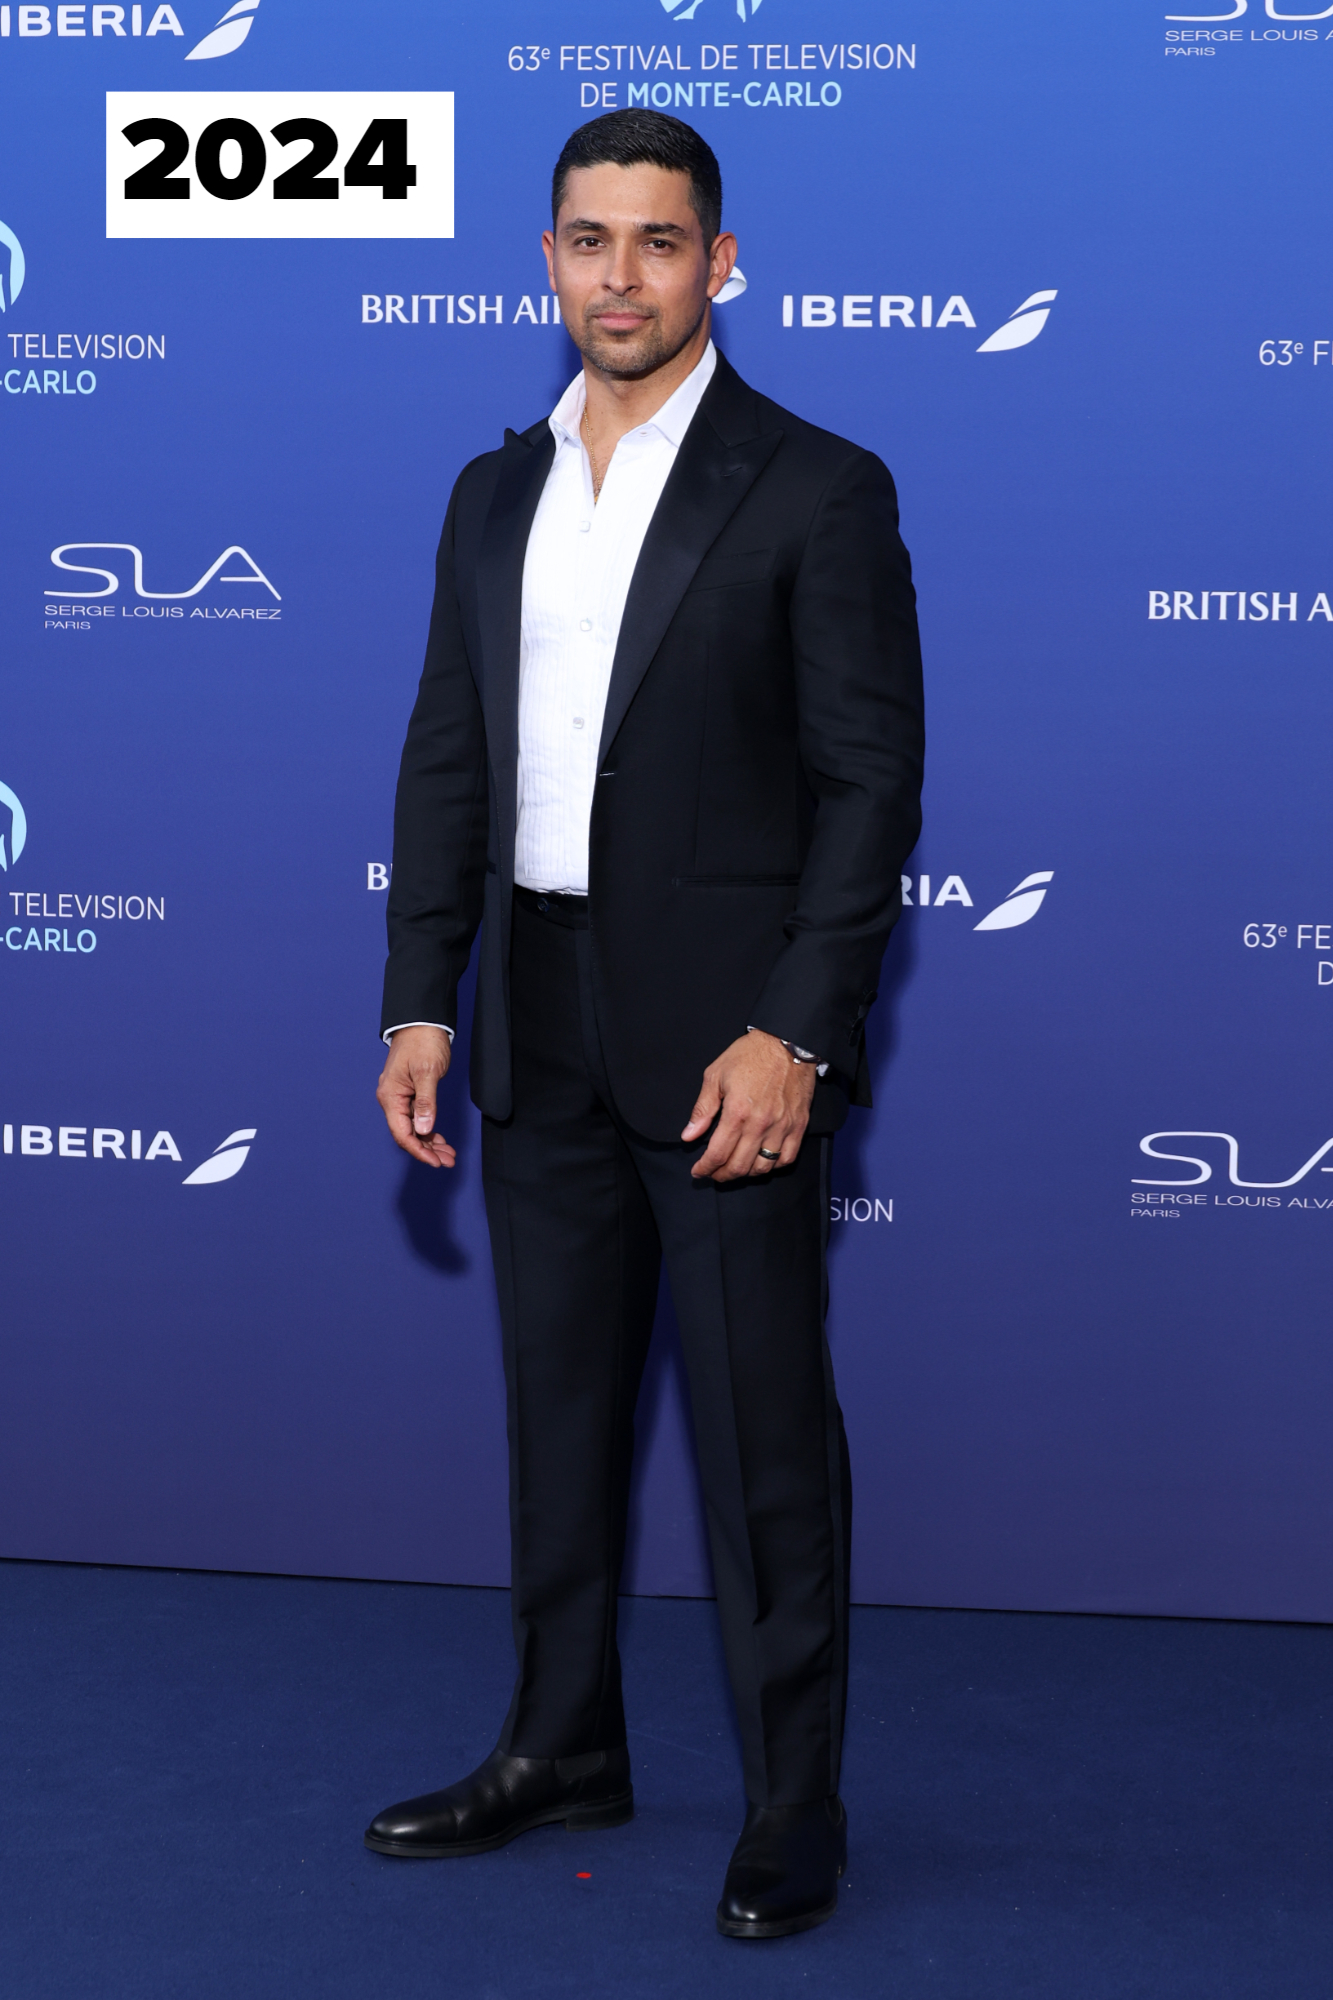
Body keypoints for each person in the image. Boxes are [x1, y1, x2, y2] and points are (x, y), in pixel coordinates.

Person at [366, 109, 924, 1940]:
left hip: (721, 1048)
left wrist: (795, 1033)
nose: (623, 276)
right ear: (545, 260)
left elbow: (868, 790)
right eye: (589, 241)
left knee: (764, 1441)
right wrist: (418, 998)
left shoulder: (815, 485)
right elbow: (451, 763)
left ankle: (791, 1802)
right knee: (558, 1416)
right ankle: (559, 1747)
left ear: (720, 262)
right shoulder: (491, 489)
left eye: (659, 243)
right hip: (527, 1010)